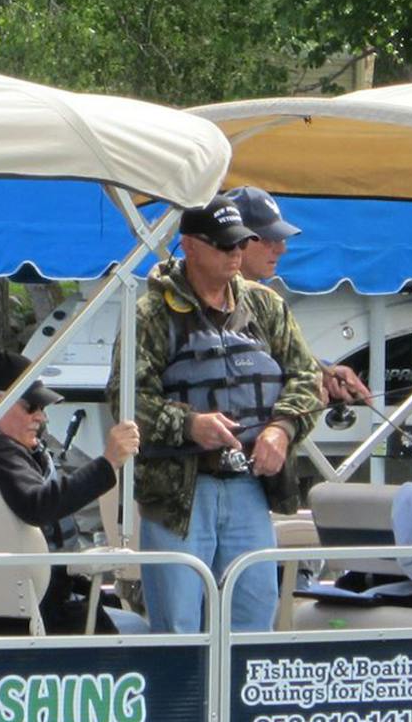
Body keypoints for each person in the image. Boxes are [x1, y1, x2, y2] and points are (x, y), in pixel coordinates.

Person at [115, 197, 322, 634]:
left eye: (240, 244)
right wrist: (190, 425)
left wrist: (280, 431)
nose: (234, 254)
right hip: (178, 501)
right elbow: (126, 400)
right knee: (178, 627)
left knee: (252, 615)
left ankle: (237, 702)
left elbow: (307, 379)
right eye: (224, 245)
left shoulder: (266, 307)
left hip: (250, 489)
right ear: (189, 245)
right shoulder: (150, 315)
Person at [0, 353, 139, 636]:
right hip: (33, 613)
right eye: (32, 406)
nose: (41, 417)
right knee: (138, 629)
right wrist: (108, 462)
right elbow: (39, 505)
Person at [228, 186, 369, 409]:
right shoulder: (208, 301)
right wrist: (307, 388)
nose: (281, 249)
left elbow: (276, 355)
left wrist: (325, 371)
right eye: (268, 239)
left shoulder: (263, 302)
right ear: (235, 240)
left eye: (281, 239)